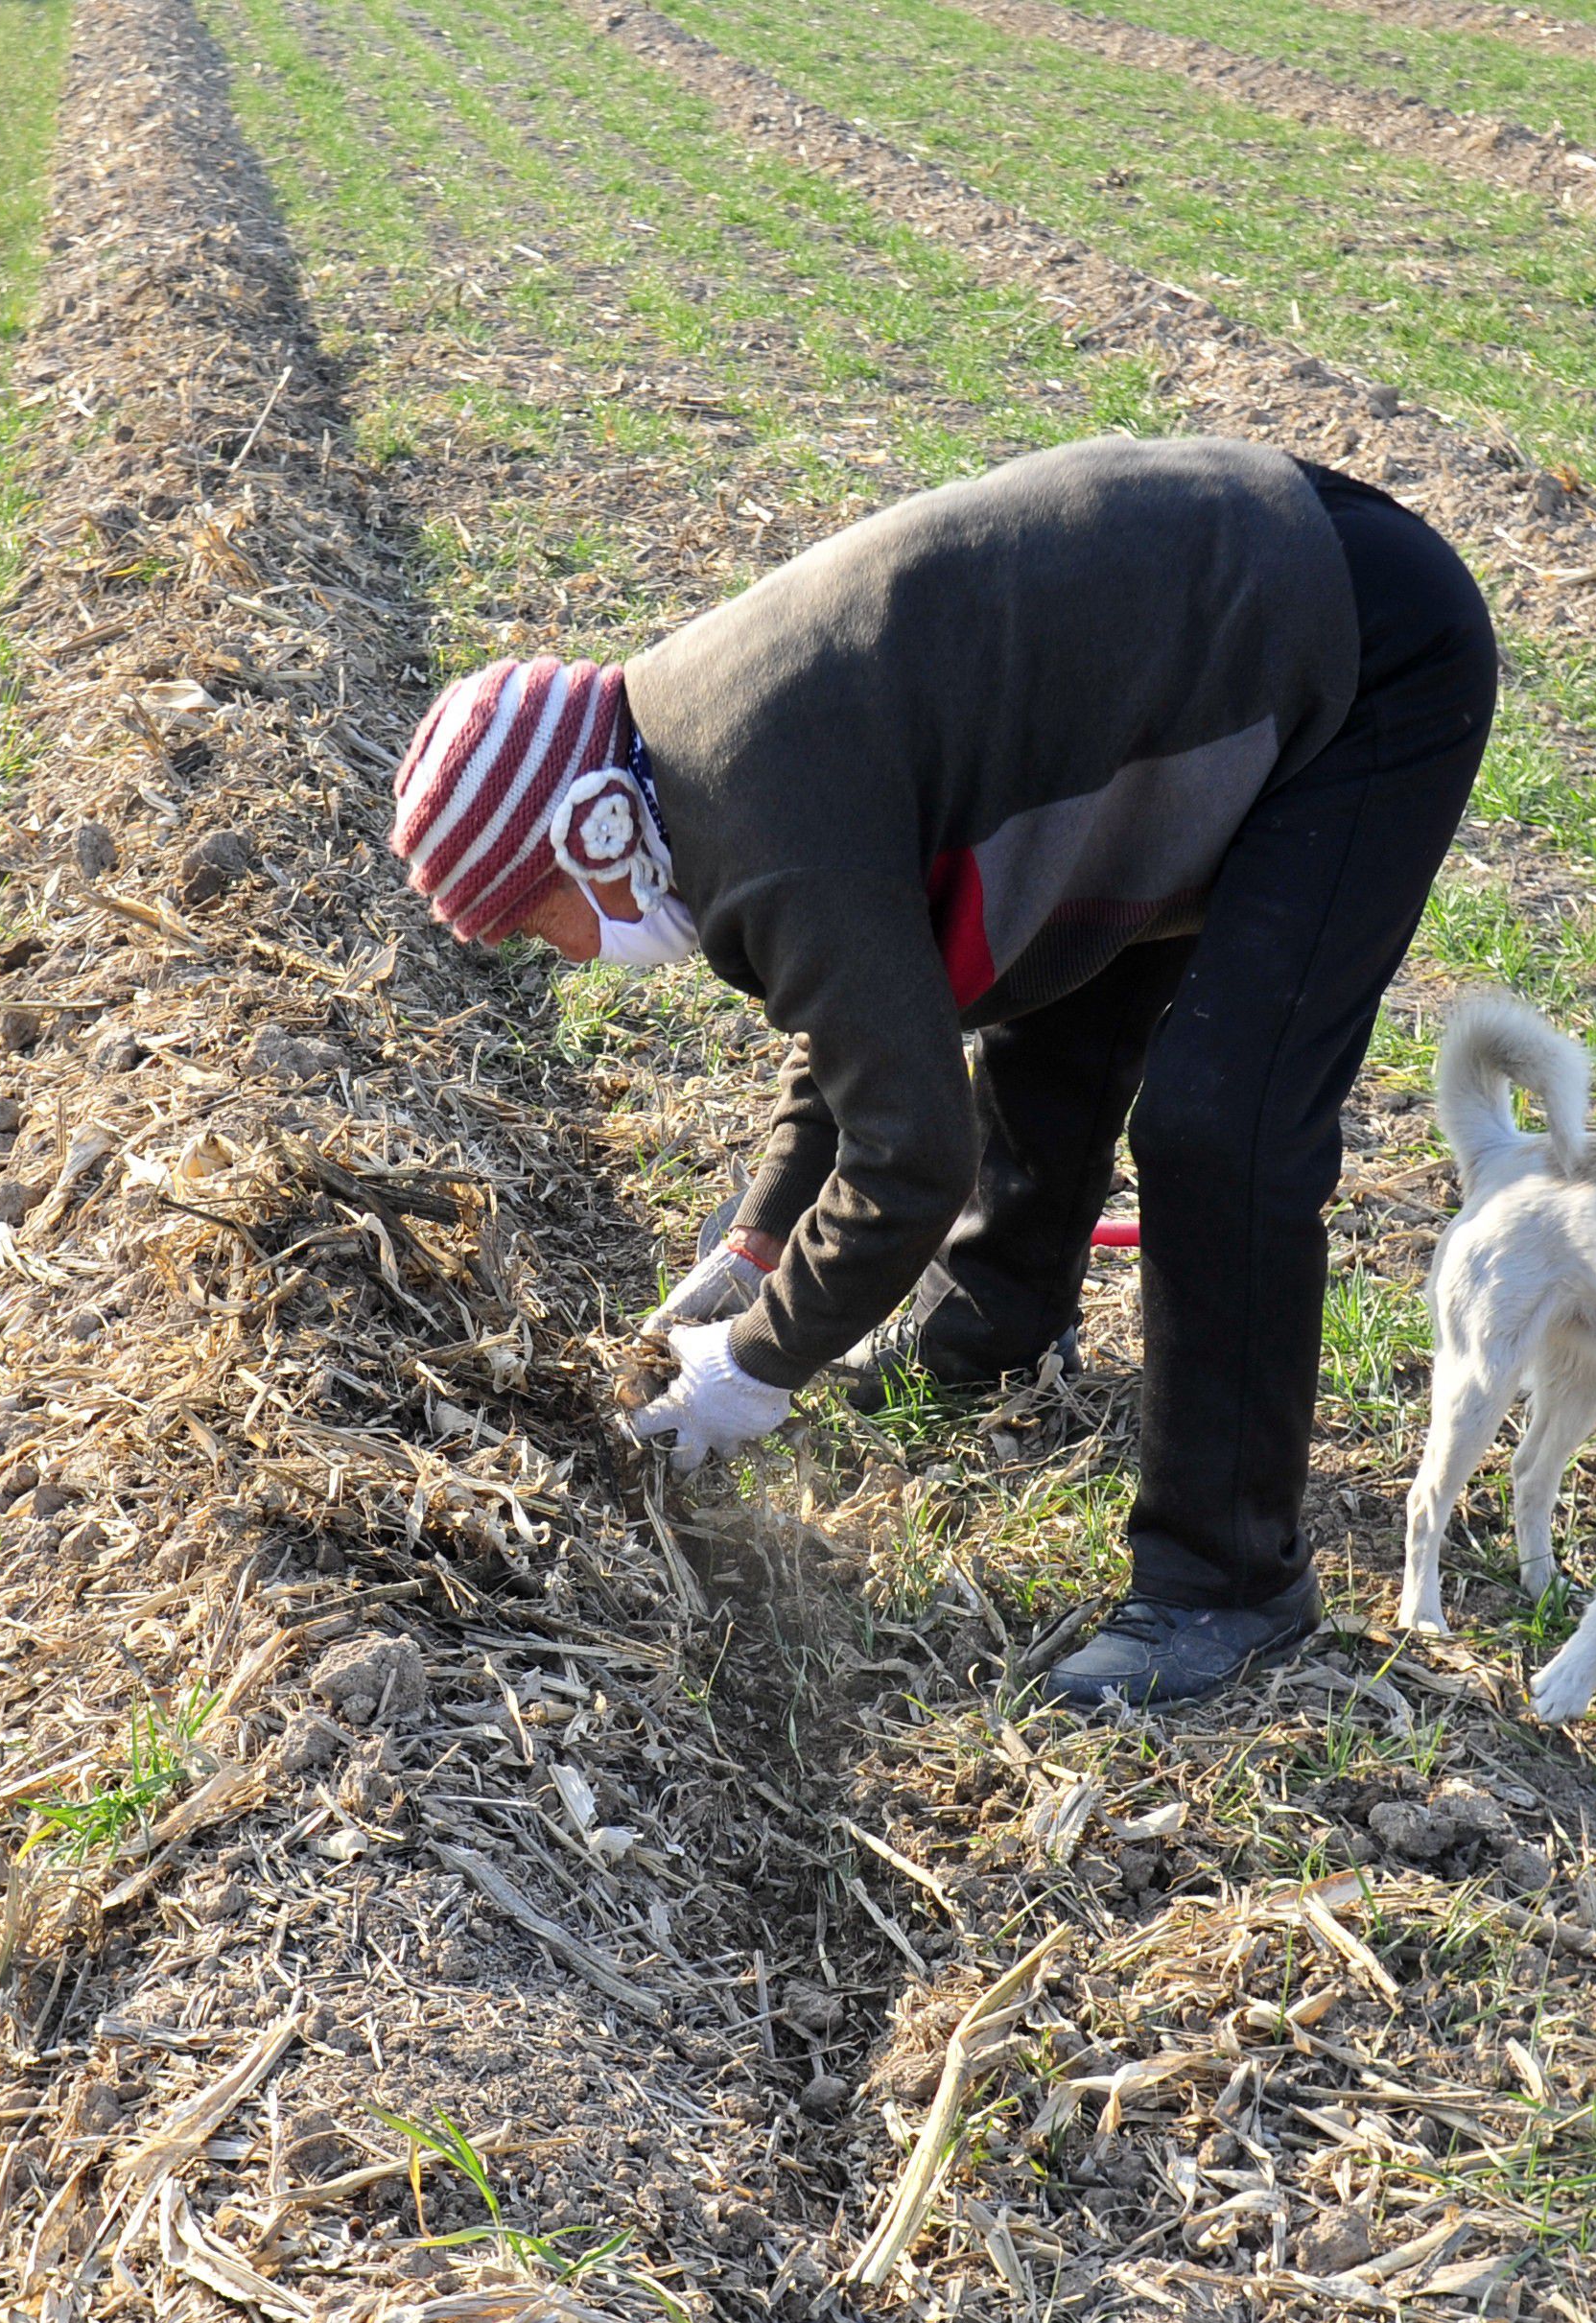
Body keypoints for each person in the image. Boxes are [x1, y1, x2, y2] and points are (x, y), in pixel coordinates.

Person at [387, 435, 1495, 1707]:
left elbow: (909, 1152)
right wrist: (755, 1244)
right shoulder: (701, 753)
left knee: (1217, 1125)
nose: (569, 959)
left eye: (539, 929)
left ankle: (1227, 1584)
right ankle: (993, 1334)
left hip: (1358, 651)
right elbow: (878, 1010)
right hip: (1221, 631)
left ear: (586, 833)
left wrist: (756, 1363)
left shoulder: (750, 816)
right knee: (1062, 989)